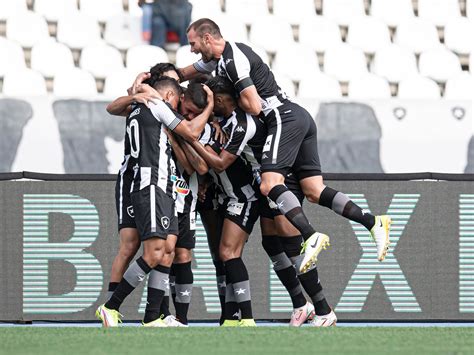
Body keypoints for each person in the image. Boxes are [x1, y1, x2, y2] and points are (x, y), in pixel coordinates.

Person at [180, 18, 391, 275]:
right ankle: (373, 222)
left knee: (268, 183)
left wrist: (221, 109)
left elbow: (255, 106)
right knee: (313, 190)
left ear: (207, 39)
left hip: (282, 117)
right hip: (299, 116)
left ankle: (310, 234)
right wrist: (158, 76)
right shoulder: (223, 58)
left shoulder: (233, 63)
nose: (192, 49)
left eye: (193, 44)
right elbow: (187, 71)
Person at [193, 76, 336, 327]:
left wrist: (190, 137)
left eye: (212, 103)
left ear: (222, 99)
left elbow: (221, 162)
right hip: (262, 187)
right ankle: (301, 305)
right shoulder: (226, 119)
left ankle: (323, 309)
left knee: (291, 246)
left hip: (277, 182)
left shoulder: (242, 122)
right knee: (271, 243)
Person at [96, 77, 214, 327]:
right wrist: (210, 107)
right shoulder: (159, 107)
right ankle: (110, 307)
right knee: (153, 253)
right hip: (152, 185)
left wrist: (136, 92)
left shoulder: (138, 108)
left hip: (162, 187)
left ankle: (152, 317)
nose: (179, 106)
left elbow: (114, 107)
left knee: (167, 248)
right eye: (177, 99)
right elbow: (192, 133)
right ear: (170, 95)